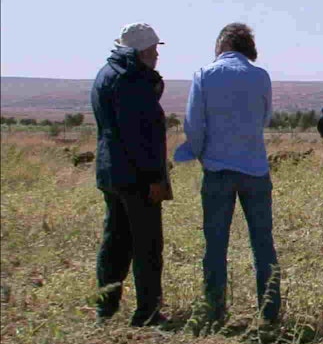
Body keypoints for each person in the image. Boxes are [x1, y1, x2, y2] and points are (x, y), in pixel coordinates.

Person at [176, 23, 280, 326]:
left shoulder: (204, 75)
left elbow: (194, 124)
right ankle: (270, 313)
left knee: (216, 244)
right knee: (263, 243)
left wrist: (196, 153)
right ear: (249, 47)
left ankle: (215, 312)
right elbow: (265, 118)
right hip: (255, 169)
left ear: (220, 45)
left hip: (218, 170)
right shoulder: (260, 76)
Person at [91, 22, 171, 327]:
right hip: (136, 175)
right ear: (142, 51)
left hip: (110, 171)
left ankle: (105, 307)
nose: (156, 55)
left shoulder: (106, 73)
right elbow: (142, 135)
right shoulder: (132, 79)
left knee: (115, 240)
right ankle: (147, 313)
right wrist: (154, 177)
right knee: (147, 244)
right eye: (152, 49)